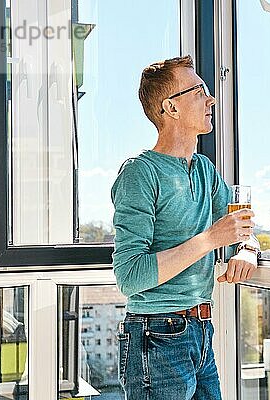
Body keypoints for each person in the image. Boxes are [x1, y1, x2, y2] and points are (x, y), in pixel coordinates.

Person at [111, 55, 260, 400]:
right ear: (171, 108)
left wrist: (248, 248)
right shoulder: (139, 174)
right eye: (199, 91)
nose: (211, 100)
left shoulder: (205, 170)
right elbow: (130, 277)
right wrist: (211, 239)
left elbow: (243, 224)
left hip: (200, 330)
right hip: (156, 337)